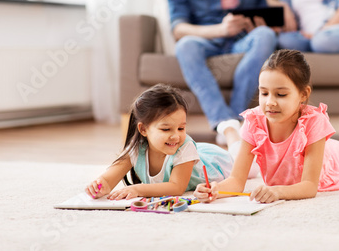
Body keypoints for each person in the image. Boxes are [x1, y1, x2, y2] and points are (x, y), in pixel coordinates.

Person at [194, 49, 339, 204]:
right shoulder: (254, 122)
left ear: (303, 94)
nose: (270, 102)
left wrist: (278, 192)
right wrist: (215, 189)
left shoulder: (313, 122)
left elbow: (309, 186)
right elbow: (236, 180)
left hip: (336, 164)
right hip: (323, 152)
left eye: (281, 94)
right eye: (264, 93)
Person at [168, 0, 277, 149]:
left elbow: (263, 18)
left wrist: (258, 24)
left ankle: (235, 119)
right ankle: (223, 122)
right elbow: (178, 28)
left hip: (240, 40)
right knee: (185, 45)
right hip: (205, 39)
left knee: (266, 35)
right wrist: (220, 30)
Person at [86, 84, 233, 200]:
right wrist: (100, 185)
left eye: (181, 128)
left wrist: (137, 189)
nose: (176, 136)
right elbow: (108, 179)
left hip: (217, 161)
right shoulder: (136, 149)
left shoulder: (185, 146)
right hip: (197, 153)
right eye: (166, 129)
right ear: (143, 129)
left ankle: (231, 131)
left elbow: (176, 188)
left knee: (242, 156)